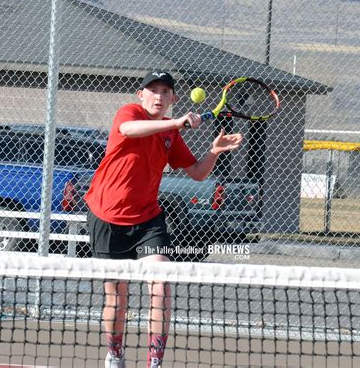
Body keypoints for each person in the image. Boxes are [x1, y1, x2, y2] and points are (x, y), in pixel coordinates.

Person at [83, 70, 243, 368]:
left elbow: (196, 173)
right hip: (106, 216)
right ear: (140, 94)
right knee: (117, 297)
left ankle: (154, 362)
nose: (158, 95)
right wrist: (177, 121)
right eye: (153, 90)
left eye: (165, 91)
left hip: (148, 220)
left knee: (161, 285)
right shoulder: (128, 113)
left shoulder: (171, 133)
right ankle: (115, 354)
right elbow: (130, 130)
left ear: (173, 98)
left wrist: (214, 152)